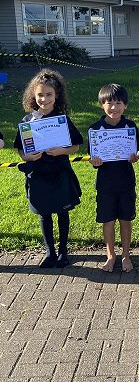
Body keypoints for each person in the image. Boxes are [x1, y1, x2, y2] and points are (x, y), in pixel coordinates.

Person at [14, 69, 82, 268]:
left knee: (62, 212)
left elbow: (76, 145)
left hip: (59, 173)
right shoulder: (27, 122)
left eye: (49, 94)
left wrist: (62, 151)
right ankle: (50, 251)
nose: (44, 99)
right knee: (44, 214)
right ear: (33, 96)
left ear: (57, 94)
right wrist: (28, 157)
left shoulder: (62, 119)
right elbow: (21, 150)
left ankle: (63, 252)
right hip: (38, 174)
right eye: (40, 95)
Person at [89, 84, 139, 273]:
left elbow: (135, 152)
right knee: (108, 221)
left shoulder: (130, 127)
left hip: (126, 182)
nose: (114, 107)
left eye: (118, 103)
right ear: (101, 105)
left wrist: (135, 157)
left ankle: (126, 255)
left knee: (126, 220)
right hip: (105, 184)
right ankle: (110, 255)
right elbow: (93, 158)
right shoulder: (95, 129)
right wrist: (95, 162)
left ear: (125, 105)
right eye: (109, 103)